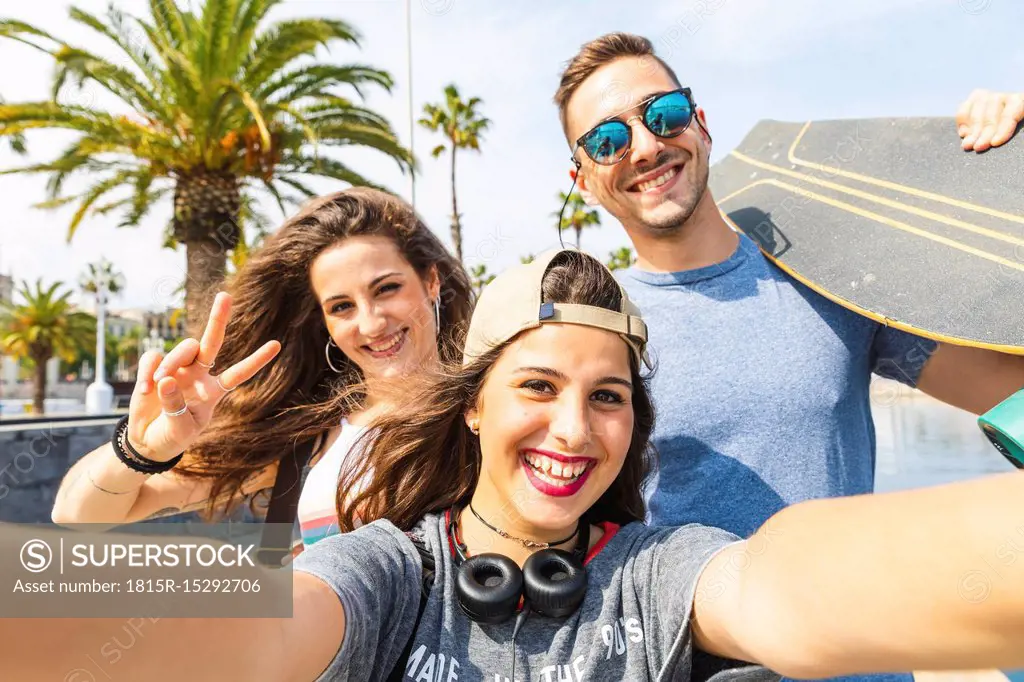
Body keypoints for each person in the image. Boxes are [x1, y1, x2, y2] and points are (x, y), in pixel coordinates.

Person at [6, 249, 1024, 682]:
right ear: (474, 406)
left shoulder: (663, 571)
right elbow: (202, 609)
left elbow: (790, 581)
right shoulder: (389, 572)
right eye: (537, 386)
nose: (574, 429)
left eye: (608, 395)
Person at [552, 32, 1024, 537]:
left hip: (843, 613)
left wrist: (1007, 164)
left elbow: (1008, 389)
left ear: (702, 126)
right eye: (608, 142)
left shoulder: (826, 275)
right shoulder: (595, 330)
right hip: (672, 616)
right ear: (583, 182)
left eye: (664, 113)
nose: (646, 147)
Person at [50, 187, 474, 554]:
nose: (370, 323)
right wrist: (143, 449)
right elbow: (75, 515)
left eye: (387, 289)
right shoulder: (306, 447)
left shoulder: (494, 412)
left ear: (432, 281)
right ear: (324, 322)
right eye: (341, 306)